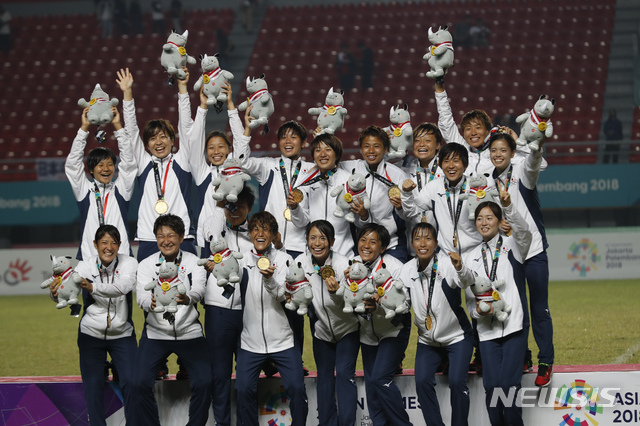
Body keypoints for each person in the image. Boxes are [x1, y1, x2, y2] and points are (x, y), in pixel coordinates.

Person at [48, 225, 138, 426]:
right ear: (95, 245)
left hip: (122, 334)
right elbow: (67, 290)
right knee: (93, 387)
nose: (109, 247)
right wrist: (55, 295)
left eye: (114, 242)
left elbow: (123, 287)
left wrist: (92, 286)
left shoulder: (129, 263)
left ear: (119, 245)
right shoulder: (84, 266)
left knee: (132, 383)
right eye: (104, 242)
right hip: (91, 334)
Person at [487, 130, 554, 386]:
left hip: (534, 250)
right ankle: (524, 357)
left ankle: (545, 361)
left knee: (540, 309)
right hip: (511, 254)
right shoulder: (488, 182)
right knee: (518, 310)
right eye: (494, 150)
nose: (498, 155)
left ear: (512, 153)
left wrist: (535, 142)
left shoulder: (522, 172)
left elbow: (535, 160)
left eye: (503, 150)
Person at [460, 187, 531, 426]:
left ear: (499, 221)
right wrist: (476, 313)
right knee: (491, 386)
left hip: (514, 327)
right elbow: (470, 298)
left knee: (509, 386)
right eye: (479, 218)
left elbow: (525, 232)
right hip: (487, 331)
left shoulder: (513, 246)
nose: (484, 222)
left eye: (489, 217)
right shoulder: (470, 258)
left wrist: (509, 205)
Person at [133, 214, 211, 426]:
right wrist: (151, 303)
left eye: (171, 235)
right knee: (138, 383)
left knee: (205, 382)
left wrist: (188, 298)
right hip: (156, 334)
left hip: (189, 332)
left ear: (182, 236)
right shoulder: (147, 264)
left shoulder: (193, 262)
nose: (165, 240)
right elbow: (140, 296)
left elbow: (199, 289)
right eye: (160, 236)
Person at [235, 211, 308, 426]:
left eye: (265, 229)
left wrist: (270, 281)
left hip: (283, 340)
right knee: (243, 389)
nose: (260, 233)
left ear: (273, 234)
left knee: (296, 387)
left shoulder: (285, 260)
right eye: (255, 229)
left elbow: (285, 297)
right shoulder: (242, 260)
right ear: (249, 234)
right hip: (251, 342)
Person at [117, 67, 197, 261]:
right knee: (147, 290)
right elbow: (132, 131)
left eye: (163, 137)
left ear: (172, 140)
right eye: (153, 139)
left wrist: (182, 88)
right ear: (146, 145)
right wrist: (127, 94)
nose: (158, 142)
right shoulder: (144, 163)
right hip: (149, 238)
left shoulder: (182, 161)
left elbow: (185, 126)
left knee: (189, 290)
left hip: (182, 236)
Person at [399, 223, 473, 426]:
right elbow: (403, 303)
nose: (422, 243)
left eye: (428, 238)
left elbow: (467, 281)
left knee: (457, 382)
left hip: (457, 337)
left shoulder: (447, 265)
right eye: (417, 238)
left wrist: (460, 267)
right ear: (412, 243)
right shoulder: (406, 270)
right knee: (422, 382)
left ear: (436, 243)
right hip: (427, 341)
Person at [200, 184, 255, 426]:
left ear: (249, 209)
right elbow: (215, 214)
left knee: (246, 379)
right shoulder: (214, 228)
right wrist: (226, 196)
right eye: (229, 206)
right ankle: (222, 423)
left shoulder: (256, 234)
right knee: (219, 376)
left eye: (239, 207)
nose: (234, 211)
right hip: (218, 311)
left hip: (248, 312)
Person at [296, 220, 359, 426]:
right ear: (306, 240)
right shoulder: (301, 263)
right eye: (313, 238)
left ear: (332, 241)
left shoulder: (343, 264)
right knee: (324, 379)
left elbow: (351, 301)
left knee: (343, 374)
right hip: (321, 331)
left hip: (347, 329)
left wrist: (336, 293)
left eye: (323, 238)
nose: (317, 243)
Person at [350, 223, 412, 426]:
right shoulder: (353, 265)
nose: (366, 245)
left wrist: (381, 303)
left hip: (393, 330)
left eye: (373, 242)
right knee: (372, 388)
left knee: (380, 379)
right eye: (362, 240)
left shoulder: (394, 267)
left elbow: (406, 302)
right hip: (367, 334)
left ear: (383, 248)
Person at [65, 104, 135, 262]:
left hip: (121, 259)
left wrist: (118, 127)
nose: (106, 169)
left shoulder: (121, 189)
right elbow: (72, 166)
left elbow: (129, 163)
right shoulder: (84, 190)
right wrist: (83, 129)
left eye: (110, 164)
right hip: (90, 259)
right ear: (91, 169)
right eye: (100, 165)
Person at [190, 82, 246, 256]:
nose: (216, 151)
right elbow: (194, 141)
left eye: (221, 146)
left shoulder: (236, 168)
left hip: (235, 236)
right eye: (211, 148)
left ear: (229, 149)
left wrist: (230, 106)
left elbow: (241, 143)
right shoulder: (202, 173)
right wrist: (202, 107)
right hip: (210, 239)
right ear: (205, 152)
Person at [340, 126, 409, 262]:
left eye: (376, 146)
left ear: (385, 149)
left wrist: (401, 207)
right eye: (366, 146)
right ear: (360, 149)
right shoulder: (350, 167)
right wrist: (364, 217)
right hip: (363, 245)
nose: (371, 151)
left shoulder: (397, 175)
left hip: (391, 244)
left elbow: (407, 214)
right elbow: (328, 162)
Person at [401, 143, 481, 256]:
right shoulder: (433, 187)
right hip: (446, 255)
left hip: (475, 253)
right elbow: (411, 212)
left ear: (466, 165)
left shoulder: (476, 187)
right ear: (440, 164)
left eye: (456, 161)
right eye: (446, 161)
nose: (451, 166)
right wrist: (406, 193)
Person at [288, 133, 355, 257]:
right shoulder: (305, 181)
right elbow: (301, 222)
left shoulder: (348, 181)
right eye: (318, 150)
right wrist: (294, 208)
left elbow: (357, 218)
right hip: (314, 253)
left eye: (328, 149)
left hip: (344, 252)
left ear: (337, 154)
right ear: (313, 155)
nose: (323, 154)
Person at [400, 122, 444, 230]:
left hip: (443, 242)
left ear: (438, 145)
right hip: (413, 239)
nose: (422, 144)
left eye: (427, 140)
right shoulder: (403, 169)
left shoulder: (446, 169)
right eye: (417, 140)